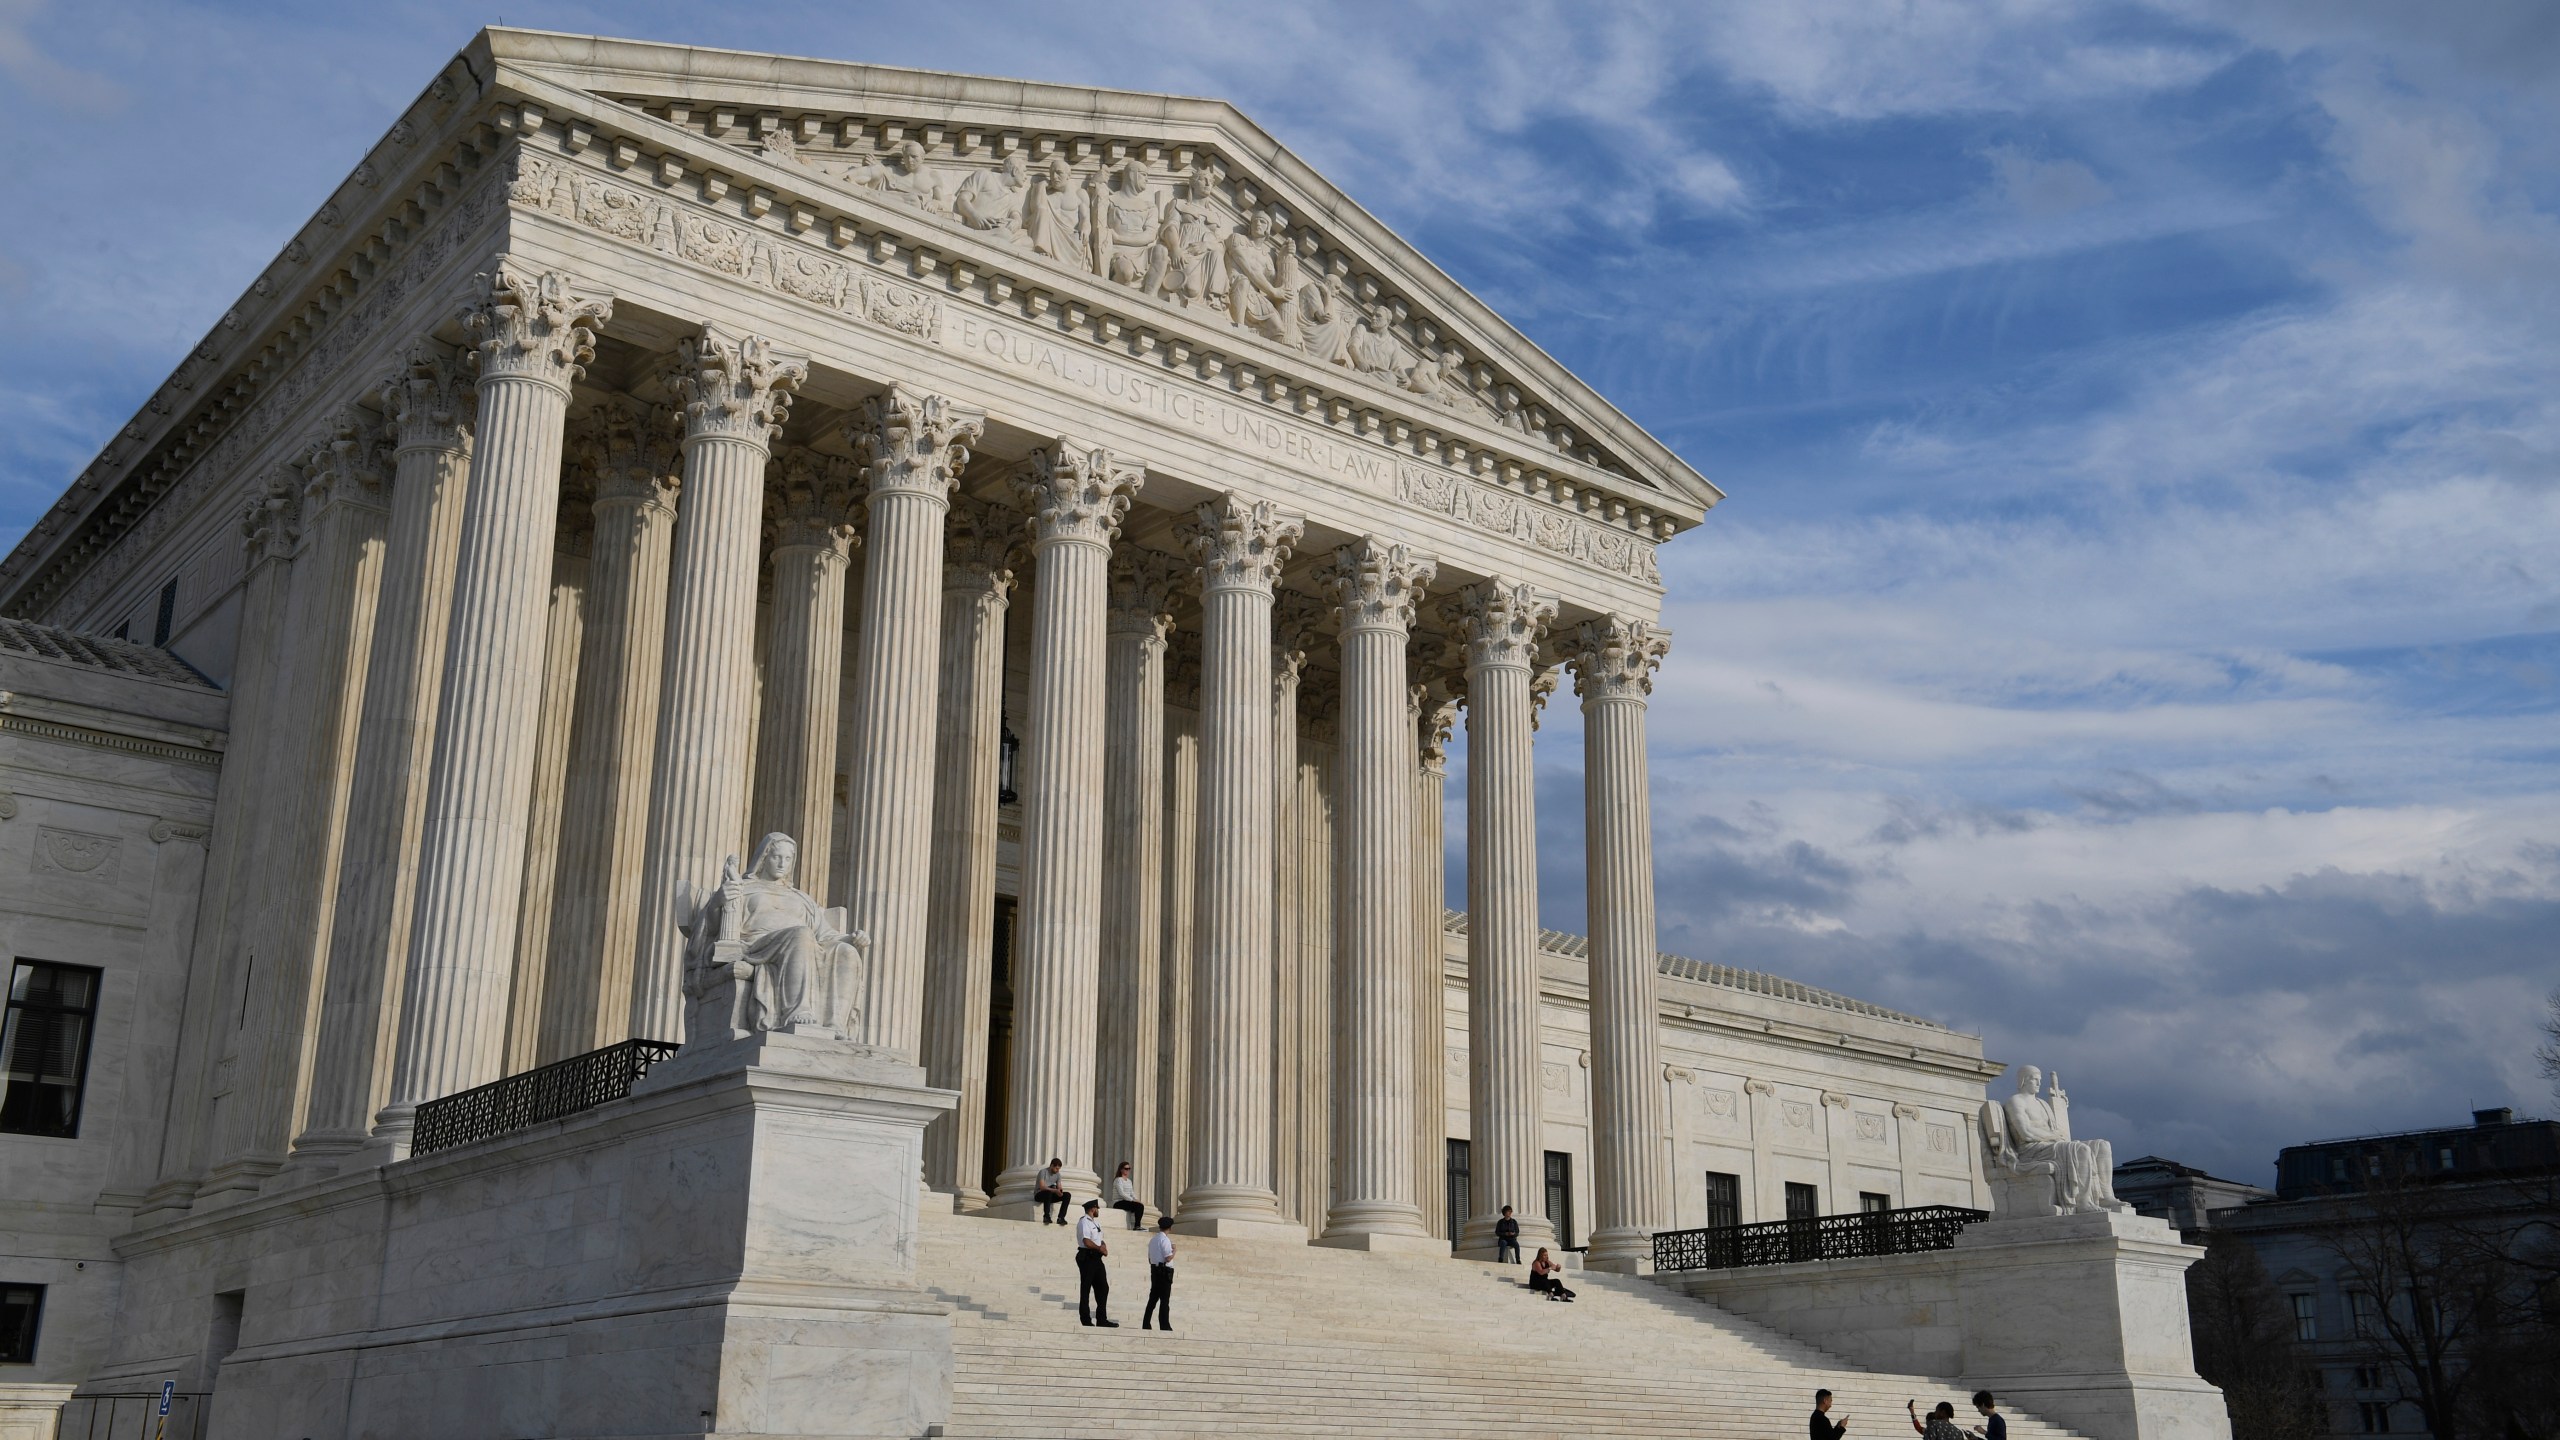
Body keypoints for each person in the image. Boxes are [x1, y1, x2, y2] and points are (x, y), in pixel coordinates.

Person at [1075, 1199, 1117, 1327]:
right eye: (1097, 1208)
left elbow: (1100, 1239)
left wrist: (1103, 1246)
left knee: (1103, 1288)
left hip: (1097, 1258)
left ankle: (1101, 1319)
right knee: (1086, 1288)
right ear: (1093, 1209)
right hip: (1087, 1256)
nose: (1098, 1210)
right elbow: (1086, 1241)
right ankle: (1085, 1319)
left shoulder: (1096, 1223)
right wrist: (1100, 1248)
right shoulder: (1084, 1222)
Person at [1142, 1214, 1177, 1331]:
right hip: (1164, 1271)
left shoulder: (1153, 1240)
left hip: (1155, 1270)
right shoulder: (1165, 1240)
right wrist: (1174, 1251)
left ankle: (1146, 1323)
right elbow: (1168, 1258)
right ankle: (1164, 1324)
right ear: (1170, 1228)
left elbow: (1149, 1259)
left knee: (1153, 1299)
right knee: (1164, 1300)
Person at [1110, 1161, 1146, 1230]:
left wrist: (1137, 1200)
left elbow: (1132, 1193)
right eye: (1126, 1168)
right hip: (1118, 1202)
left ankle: (1137, 1225)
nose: (1128, 1170)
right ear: (1121, 1169)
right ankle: (1137, 1226)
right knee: (1138, 1206)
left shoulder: (1129, 1181)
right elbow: (1121, 1193)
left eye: (1129, 1168)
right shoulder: (1118, 1180)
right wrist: (1133, 1200)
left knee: (1140, 1205)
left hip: (1126, 1201)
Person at [1034, 1158, 1071, 1225]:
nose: (1057, 1170)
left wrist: (1060, 1192)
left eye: (1059, 1169)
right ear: (1051, 1165)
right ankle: (1046, 1216)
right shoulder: (1043, 1172)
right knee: (1048, 1192)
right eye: (1056, 1168)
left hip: (1050, 1195)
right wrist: (1054, 1190)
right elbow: (1042, 1187)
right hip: (1039, 1194)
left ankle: (1061, 1218)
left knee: (1067, 1195)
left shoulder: (1058, 1175)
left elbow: (1059, 1186)